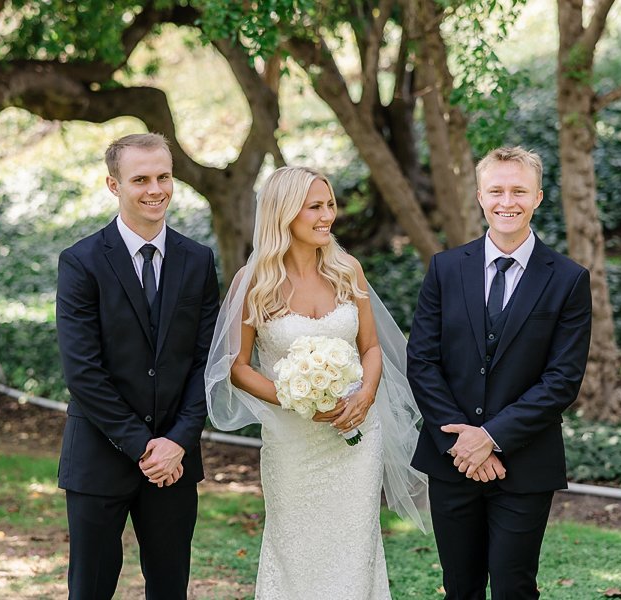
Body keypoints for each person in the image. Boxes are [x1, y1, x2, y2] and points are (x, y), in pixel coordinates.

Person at [204, 166, 428, 599]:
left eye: (330, 205)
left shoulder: (348, 270)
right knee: (296, 548)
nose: (328, 215)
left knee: (355, 545)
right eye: (315, 207)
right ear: (284, 213)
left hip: (355, 436)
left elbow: (372, 349)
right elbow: (239, 366)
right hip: (293, 442)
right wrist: (292, 399)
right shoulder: (254, 282)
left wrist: (365, 394)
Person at [407, 146, 593, 600]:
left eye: (519, 191)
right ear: (479, 196)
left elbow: (562, 380)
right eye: (496, 190)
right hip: (452, 460)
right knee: (460, 588)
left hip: (526, 462)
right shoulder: (446, 268)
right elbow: (423, 361)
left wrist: (489, 437)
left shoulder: (568, 278)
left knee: (514, 587)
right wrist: (461, 443)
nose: (506, 201)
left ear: (538, 197)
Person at [56, 133, 220, 600]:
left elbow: (206, 361)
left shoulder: (197, 259)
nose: (155, 189)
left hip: (174, 461)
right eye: (140, 179)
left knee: (170, 590)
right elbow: (82, 372)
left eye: (164, 176)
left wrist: (177, 442)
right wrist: (145, 446)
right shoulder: (81, 262)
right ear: (114, 185)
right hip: (99, 457)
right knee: (89, 590)